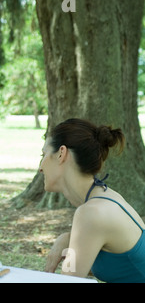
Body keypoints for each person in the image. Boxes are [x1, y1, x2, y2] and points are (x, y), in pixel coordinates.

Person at [40, 118, 145, 282]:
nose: (40, 167)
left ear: (61, 153)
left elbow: (68, 280)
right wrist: (67, 238)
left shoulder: (92, 212)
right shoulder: (105, 197)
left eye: (44, 154)